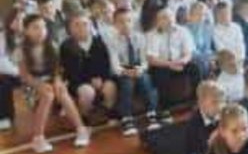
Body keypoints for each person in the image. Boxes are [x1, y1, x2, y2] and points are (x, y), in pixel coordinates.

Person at [18, 15, 89, 153]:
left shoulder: (52, 45)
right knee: (48, 95)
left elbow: (57, 69)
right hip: (31, 84)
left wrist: (57, 81)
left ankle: (81, 129)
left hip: (50, 78)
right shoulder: (21, 50)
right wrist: (39, 85)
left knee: (61, 91)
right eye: (35, 28)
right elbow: (25, 76)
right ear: (26, 31)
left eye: (43, 27)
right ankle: (38, 138)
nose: (41, 31)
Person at [109, 8, 160, 136]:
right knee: (127, 84)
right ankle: (127, 118)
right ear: (115, 24)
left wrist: (140, 69)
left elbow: (144, 60)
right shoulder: (112, 41)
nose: (125, 24)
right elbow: (115, 65)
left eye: (128, 20)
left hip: (137, 68)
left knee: (145, 79)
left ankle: (152, 113)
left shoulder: (140, 37)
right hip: (122, 71)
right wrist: (126, 72)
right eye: (121, 22)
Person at [59, 12, 117, 117]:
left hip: (100, 78)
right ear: (69, 29)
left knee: (110, 87)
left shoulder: (99, 42)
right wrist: (89, 80)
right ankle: (86, 116)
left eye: (85, 24)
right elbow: (71, 71)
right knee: (87, 92)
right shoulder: (66, 47)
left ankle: (107, 113)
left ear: (90, 26)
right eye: (76, 25)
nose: (81, 28)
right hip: (79, 82)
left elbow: (105, 64)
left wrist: (101, 78)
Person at [146, 7, 199, 116]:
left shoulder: (183, 31)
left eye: (170, 16)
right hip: (161, 65)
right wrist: (170, 64)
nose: (169, 19)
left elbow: (188, 53)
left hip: (179, 62)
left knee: (195, 67)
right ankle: (165, 108)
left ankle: (195, 100)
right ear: (158, 21)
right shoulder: (152, 35)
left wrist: (182, 62)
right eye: (164, 18)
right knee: (160, 75)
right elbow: (152, 59)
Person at [185, 80, 225, 154]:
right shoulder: (193, 125)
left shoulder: (225, 114)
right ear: (201, 103)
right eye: (214, 102)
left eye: (222, 101)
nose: (220, 106)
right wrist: (209, 145)